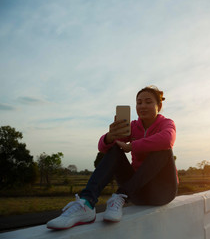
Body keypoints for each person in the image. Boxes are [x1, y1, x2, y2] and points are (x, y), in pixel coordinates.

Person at [47, 86, 178, 230]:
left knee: (164, 150)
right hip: (136, 191)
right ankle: (87, 203)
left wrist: (133, 146)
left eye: (148, 102)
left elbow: (167, 140)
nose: (143, 106)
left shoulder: (166, 124)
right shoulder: (133, 126)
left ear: (158, 106)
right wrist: (110, 136)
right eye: (139, 102)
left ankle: (121, 194)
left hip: (162, 192)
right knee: (114, 149)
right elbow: (102, 148)